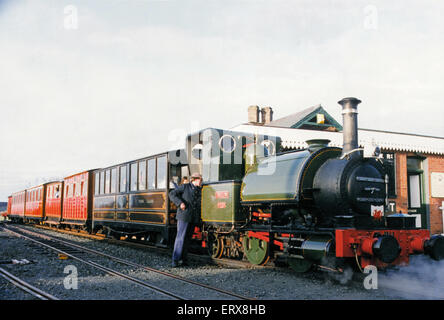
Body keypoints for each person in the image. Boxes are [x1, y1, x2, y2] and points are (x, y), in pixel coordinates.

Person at [168, 172, 202, 267]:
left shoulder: (199, 190)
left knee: (187, 239)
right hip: (183, 217)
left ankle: (184, 260)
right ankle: (175, 260)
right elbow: (172, 194)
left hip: (192, 218)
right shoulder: (185, 187)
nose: (201, 181)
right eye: (200, 179)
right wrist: (180, 203)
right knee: (180, 238)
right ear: (194, 179)